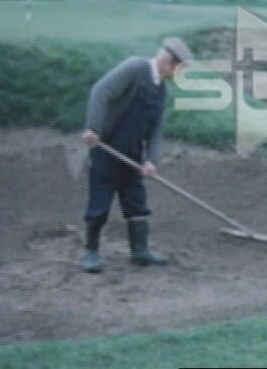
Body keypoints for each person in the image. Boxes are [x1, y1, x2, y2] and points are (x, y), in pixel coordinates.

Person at [80, 37, 193, 273]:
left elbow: (156, 128)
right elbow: (100, 92)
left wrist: (151, 159)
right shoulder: (134, 68)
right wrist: (94, 128)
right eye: (179, 69)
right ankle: (91, 252)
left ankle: (140, 251)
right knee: (100, 201)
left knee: (136, 201)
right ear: (168, 62)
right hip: (107, 147)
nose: (178, 75)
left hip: (133, 154)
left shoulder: (160, 89)